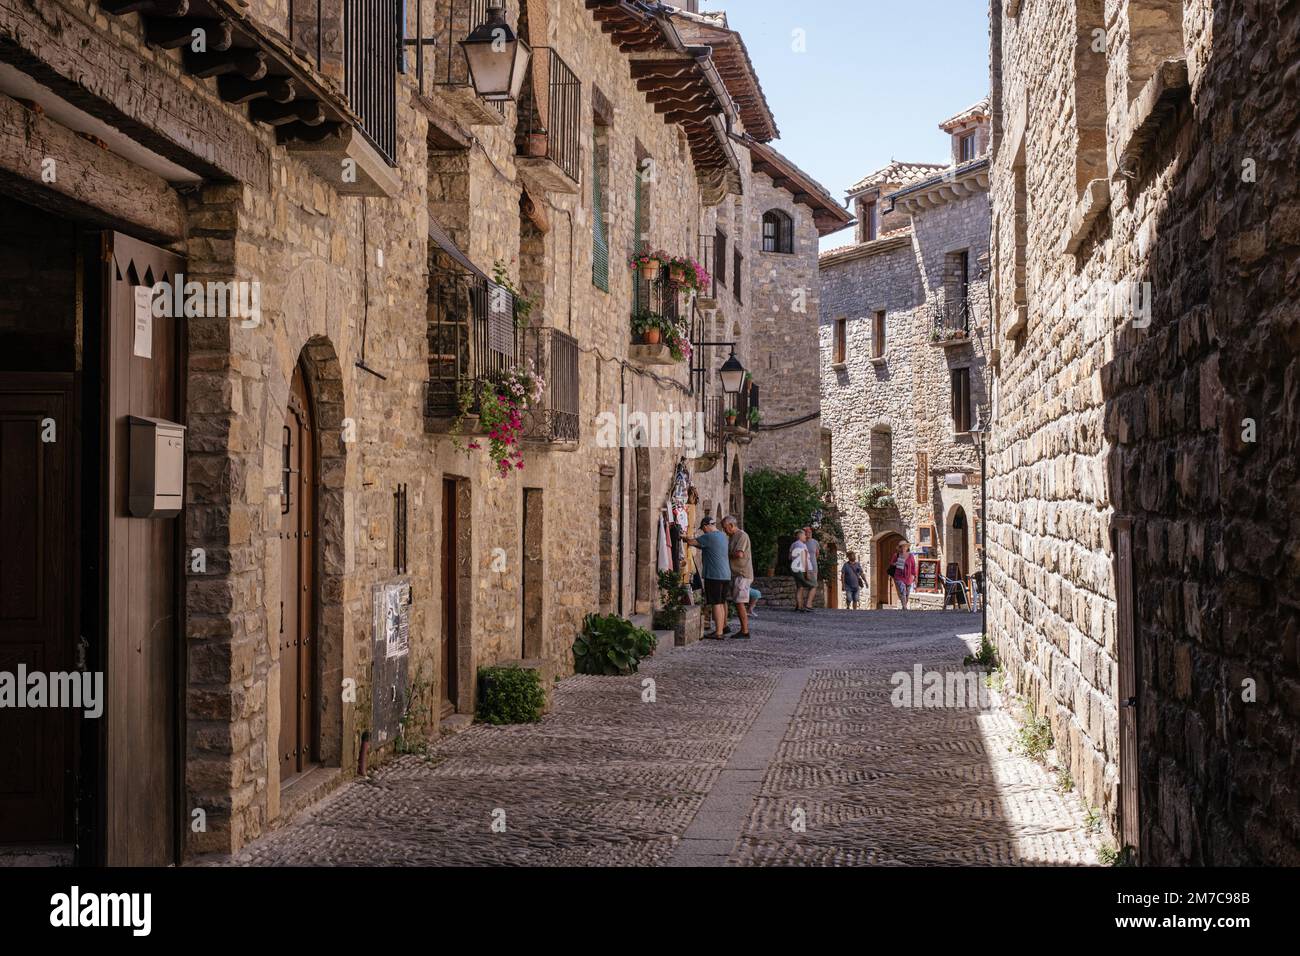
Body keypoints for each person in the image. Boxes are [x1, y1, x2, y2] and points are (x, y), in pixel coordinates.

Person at [686, 516, 733, 638]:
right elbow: (703, 546)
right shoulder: (722, 536)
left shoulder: (709, 537)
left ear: (706, 526)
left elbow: (692, 542)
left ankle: (718, 633)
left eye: (703, 529)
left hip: (714, 575)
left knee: (716, 603)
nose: (703, 531)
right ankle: (721, 628)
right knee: (721, 602)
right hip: (725, 575)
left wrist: (683, 537)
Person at [722, 515, 752, 639]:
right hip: (735, 574)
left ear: (731, 525)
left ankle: (745, 631)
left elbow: (739, 554)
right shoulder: (732, 537)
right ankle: (725, 626)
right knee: (732, 601)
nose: (724, 530)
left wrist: (725, 555)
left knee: (740, 603)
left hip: (742, 574)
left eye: (725, 528)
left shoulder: (742, 536)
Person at [789, 529, 815, 612]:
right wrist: (806, 571)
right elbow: (803, 559)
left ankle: (799, 606)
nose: (806, 536)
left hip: (795, 568)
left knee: (799, 587)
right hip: (802, 569)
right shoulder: (802, 545)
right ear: (800, 536)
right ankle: (808, 604)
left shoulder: (793, 545)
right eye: (804, 535)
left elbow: (789, 557)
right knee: (814, 585)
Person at [890, 540, 918, 610]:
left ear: (907, 547)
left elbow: (913, 566)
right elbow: (891, 564)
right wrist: (896, 563)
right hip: (899, 576)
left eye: (904, 546)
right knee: (903, 589)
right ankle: (904, 607)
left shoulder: (910, 556)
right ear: (899, 548)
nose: (903, 548)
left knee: (907, 593)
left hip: (908, 577)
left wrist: (915, 576)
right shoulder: (896, 555)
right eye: (901, 547)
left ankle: (904, 604)